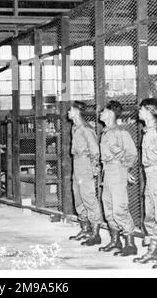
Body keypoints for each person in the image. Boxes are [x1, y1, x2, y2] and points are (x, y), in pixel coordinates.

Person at [98, 100, 138, 256]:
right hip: (107, 171)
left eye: (103, 111)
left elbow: (132, 153)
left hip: (117, 170)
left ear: (110, 113)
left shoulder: (121, 132)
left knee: (119, 208)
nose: (100, 113)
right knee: (108, 208)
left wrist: (125, 169)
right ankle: (115, 242)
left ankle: (130, 244)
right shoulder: (106, 131)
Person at [68, 101, 103, 246]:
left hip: (85, 164)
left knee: (88, 197)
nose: (68, 112)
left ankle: (96, 233)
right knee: (78, 196)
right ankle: (85, 228)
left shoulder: (86, 129)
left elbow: (95, 150)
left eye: (70, 110)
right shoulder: (75, 128)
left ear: (76, 111)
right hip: (77, 163)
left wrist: (94, 168)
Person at [133, 98, 157, 269]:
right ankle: (153, 251)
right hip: (150, 177)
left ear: (150, 111)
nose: (139, 112)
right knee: (150, 216)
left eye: (142, 109)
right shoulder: (148, 131)